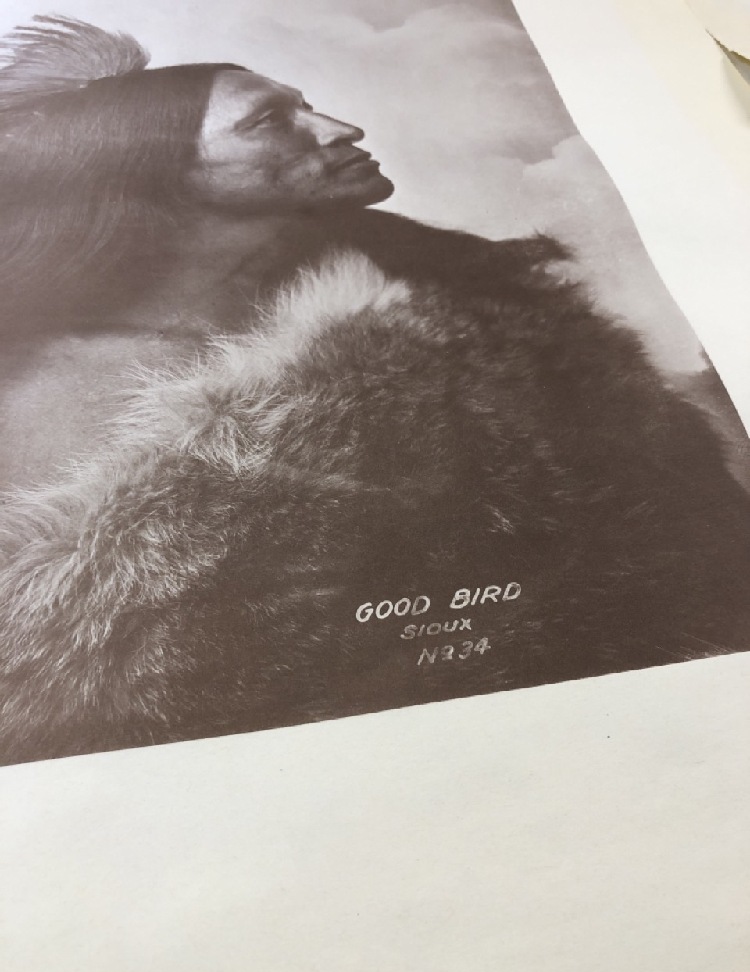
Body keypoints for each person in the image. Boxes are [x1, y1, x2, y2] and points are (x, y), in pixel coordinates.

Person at [1, 15, 749, 765]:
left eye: (306, 105)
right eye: (269, 121)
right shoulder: (36, 383)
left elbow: (679, 534)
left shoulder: (474, 309)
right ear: (147, 173)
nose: (340, 129)